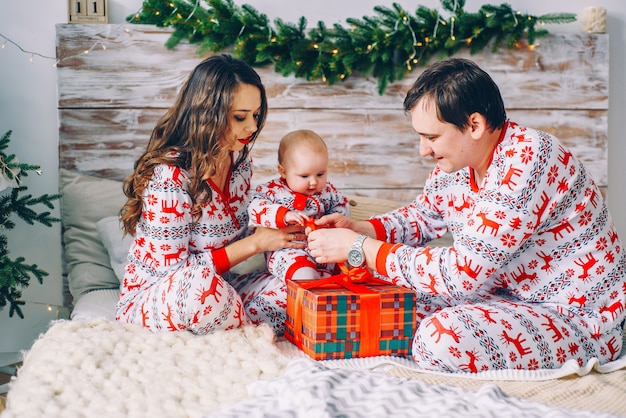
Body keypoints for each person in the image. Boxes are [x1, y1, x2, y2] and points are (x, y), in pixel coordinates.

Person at [306, 57, 626, 372]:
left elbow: (461, 274)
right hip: (498, 297)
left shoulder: (530, 159)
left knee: (438, 338)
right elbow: (423, 216)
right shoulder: (457, 164)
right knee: (380, 304)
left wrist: (359, 247)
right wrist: (360, 228)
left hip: (577, 316)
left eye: (431, 137)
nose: (423, 150)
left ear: (474, 125)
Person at [116, 54, 306, 335]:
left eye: (255, 115)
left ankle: (231, 324)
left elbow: (237, 229)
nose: (252, 127)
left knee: (293, 288)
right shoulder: (171, 175)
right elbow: (175, 273)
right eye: (240, 117)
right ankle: (241, 327)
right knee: (201, 288)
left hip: (221, 288)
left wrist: (282, 224)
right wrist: (256, 244)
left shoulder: (239, 161)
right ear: (207, 114)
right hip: (162, 295)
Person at [248, 129, 349, 281]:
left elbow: (341, 205)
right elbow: (255, 208)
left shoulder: (328, 192)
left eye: (320, 174)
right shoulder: (273, 191)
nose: (314, 182)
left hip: (323, 249)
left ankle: (329, 286)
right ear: (283, 171)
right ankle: (307, 285)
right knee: (305, 275)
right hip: (288, 250)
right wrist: (284, 215)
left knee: (341, 274)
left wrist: (330, 222)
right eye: (304, 176)